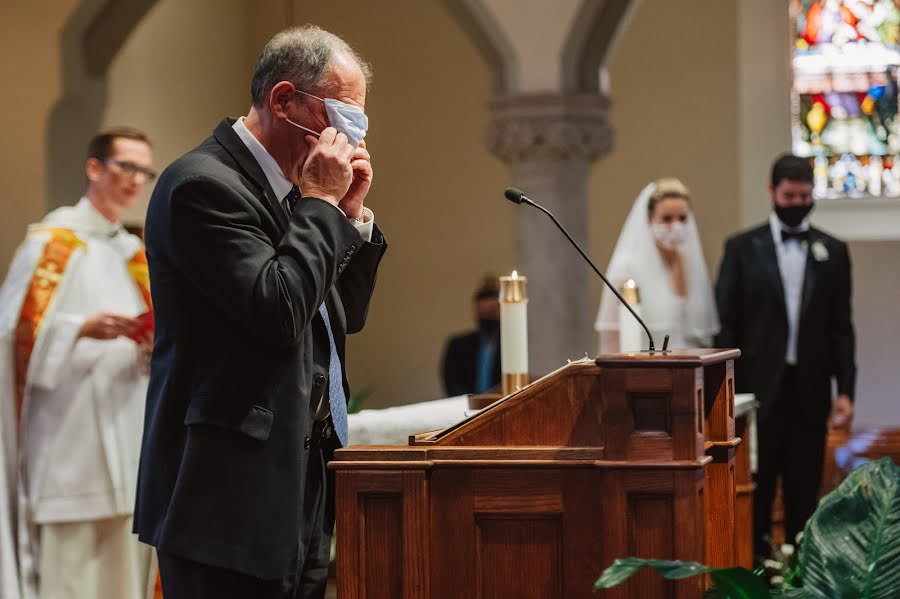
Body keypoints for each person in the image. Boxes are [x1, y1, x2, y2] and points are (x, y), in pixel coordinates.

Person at [133, 25, 387, 599]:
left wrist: (349, 214)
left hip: (297, 484)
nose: (347, 142)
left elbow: (345, 315)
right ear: (283, 100)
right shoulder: (202, 185)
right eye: (341, 119)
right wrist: (322, 205)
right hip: (225, 499)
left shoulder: (294, 194)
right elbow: (277, 311)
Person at [0, 127, 156, 599]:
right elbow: (9, 335)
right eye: (125, 166)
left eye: (144, 171)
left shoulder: (133, 254)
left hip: (127, 437)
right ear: (94, 167)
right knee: (71, 578)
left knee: (125, 575)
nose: (135, 180)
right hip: (69, 444)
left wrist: (150, 347)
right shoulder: (52, 245)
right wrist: (79, 328)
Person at [714, 154, 856, 558]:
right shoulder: (742, 248)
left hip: (810, 392)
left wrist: (846, 390)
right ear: (772, 192)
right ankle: (757, 573)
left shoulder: (834, 251)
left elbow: (842, 327)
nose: (797, 202)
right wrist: (726, 391)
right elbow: (726, 325)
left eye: (805, 195)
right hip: (756, 394)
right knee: (755, 491)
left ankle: (802, 578)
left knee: (804, 492)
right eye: (789, 195)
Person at [595, 178, 719, 354]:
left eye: (682, 218)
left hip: (688, 365)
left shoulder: (690, 264)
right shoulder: (626, 266)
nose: (676, 226)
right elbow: (611, 335)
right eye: (667, 219)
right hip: (645, 365)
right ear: (648, 219)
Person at [441, 276, 501, 396]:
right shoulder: (458, 345)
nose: (488, 317)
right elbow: (452, 382)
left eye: (492, 312)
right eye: (484, 313)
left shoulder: (511, 346)